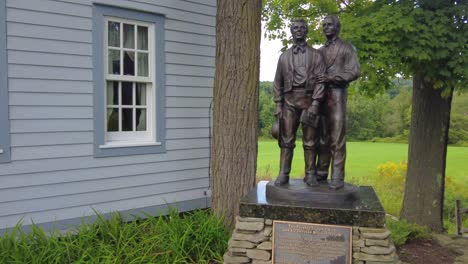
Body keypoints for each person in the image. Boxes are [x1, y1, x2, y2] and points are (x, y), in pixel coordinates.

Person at [273, 19, 326, 186]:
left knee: (310, 141)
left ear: (306, 31)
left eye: (302, 28)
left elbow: (321, 82)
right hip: (289, 102)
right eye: (295, 28)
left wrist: (316, 103)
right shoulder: (284, 57)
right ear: (291, 31)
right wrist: (278, 104)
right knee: (286, 140)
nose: (299, 30)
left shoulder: (317, 55)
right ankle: (283, 173)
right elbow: (277, 83)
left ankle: (310, 174)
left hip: (309, 101)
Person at [316, 15, 361, 189]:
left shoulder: (347, 48)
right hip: (320, 97)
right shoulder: (319, 51)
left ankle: (337, 177)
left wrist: (332, 77)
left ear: (337, 28)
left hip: (337, 95)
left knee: (337, 137)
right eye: (324, 25)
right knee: (322, 137)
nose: (326, 27)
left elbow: (354, 71)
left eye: (330, 25)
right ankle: (321, 173)